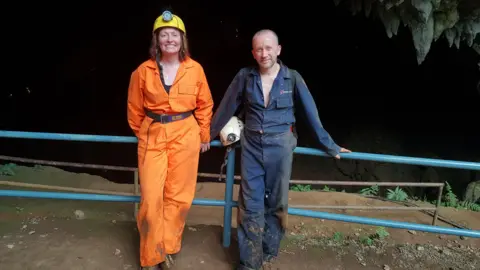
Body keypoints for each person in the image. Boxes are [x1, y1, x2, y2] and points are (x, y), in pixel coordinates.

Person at [209, 29, 351, 270]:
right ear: (253, 53)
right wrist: (206, 137)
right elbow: (226, 108)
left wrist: (329, 145)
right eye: (259, 49)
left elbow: (310, 113)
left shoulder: (292, 78)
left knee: (277, 203)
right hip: (252, 146)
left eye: (268, 48)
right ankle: (249, 263)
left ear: (278, 50)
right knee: (250, 203)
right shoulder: (245, 77)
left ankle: (267, 252)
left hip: (281, 147)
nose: (264, 54)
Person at [127, 10, 214, 269]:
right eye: (163, 35)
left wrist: (203, 134)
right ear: (157, 40)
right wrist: (143, 132)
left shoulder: (195, 69)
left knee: (179, 197)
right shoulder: (142, 71)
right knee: (152, 196)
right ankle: (151, 256)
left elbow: (205, 104)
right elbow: (134, 108)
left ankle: (167, 248)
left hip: (186, 134)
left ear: (182, 39)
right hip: (153, 133)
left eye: (174, 34)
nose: (169, 39)